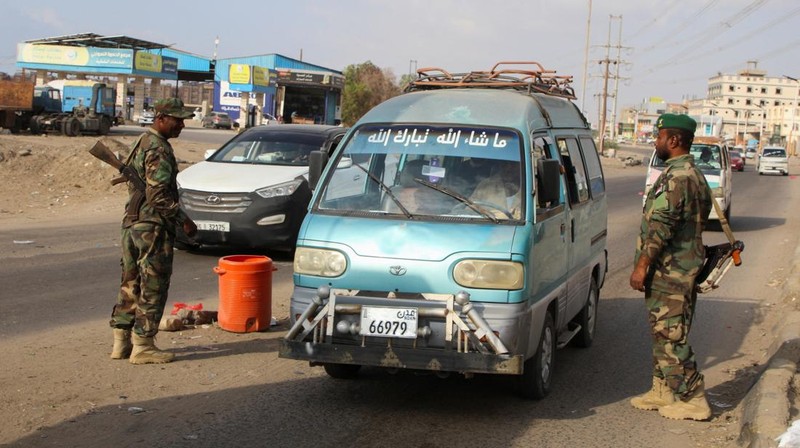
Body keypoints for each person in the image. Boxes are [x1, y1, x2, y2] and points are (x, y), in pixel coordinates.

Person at [629, 113, 713, 420]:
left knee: (670, 335)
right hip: (677, 267)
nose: (656, 141)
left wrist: (642, 266)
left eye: (659, 136)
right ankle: (663, 389)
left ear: (674, 140)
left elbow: (662, 227)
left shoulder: (679, 177)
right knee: (662, 331)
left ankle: (693, 398)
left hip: (671, 271)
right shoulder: (689, 173)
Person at [109, 98, 197, 365]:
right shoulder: (158, 148)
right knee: (153, 284)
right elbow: (158, 195)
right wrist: (183, 220)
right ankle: (143, 346)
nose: (181, 125)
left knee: (130, 282)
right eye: (177, 120)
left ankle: (121, 342)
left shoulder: (143, 141)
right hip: (151, 226)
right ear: (161, 119)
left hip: (132, 222)